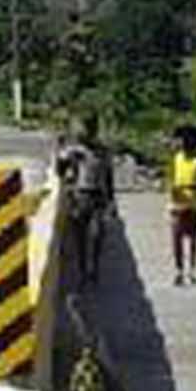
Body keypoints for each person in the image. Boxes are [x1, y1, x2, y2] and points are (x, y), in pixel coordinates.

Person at [57, 115, 115, 286]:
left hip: (98, 196)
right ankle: (83, 270)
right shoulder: (75, 152)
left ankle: (94, 268)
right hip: (79, 195)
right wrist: (62, 155)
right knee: (80, 237)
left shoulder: (102, 151)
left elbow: (109, 176)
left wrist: (111, 201)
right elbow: (60, 171)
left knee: (98, 234)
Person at [166, 124, 196, 285]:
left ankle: (192, 270)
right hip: (177, 203)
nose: (184, 143)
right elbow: (171, 177)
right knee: (176, 238)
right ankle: (179, 270)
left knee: (193, 239)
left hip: (195, 203)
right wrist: (173, 187)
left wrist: (190, 186)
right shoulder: (176, 158)